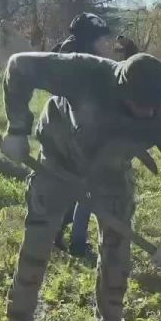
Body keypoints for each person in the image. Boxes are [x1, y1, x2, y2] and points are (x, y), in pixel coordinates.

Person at [0, 52, 161, 321]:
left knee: (117, 252)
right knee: (38, 243)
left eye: (152, 107)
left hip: (111, 170)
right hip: (60, 158)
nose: (146, 113)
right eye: (139, 105)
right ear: (121, 91)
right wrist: (17, 129)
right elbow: (19, 66)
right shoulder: (85, 73)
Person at [49, 13, 116, 259]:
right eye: (101, 39)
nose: (105, 44)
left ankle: (57, 230)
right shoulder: (80, 62)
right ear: (89, 39)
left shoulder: (64, 54)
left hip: (67, 133)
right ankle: (77, 243)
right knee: (87, 189)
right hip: (77, 134)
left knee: (75, 188)